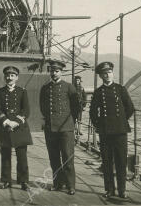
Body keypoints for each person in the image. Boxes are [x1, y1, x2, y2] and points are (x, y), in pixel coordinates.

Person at [90, 62, 134, 200]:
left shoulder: (120, 89)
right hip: (105, 132)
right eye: (104, 73)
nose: (107, 75)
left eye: (109, 72)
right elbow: (92, 112)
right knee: (107, 162)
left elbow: (130, 108)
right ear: (101, 76)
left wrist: (120, 121)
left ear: (112, 73)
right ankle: (109, 189)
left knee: (121, 162)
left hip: (120, 132)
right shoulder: (98, 92)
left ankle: (122, 190)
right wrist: (100, 124)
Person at [39, 57, 80, 195]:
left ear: (61, 72)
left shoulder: (69, 87)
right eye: (52, 71)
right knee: (54, 158)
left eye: (57, 71)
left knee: (68, 157)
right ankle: (58, 184)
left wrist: (70, 123)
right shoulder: (45, 88)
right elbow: (43, 106)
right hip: (51, 129)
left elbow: (76, 108)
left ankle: (70, 186)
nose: (54, 73)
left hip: (66, 128)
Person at [0, 66, 32, 191]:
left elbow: (26, 110)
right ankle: (6, 180)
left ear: (17, 78)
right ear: (5, 77)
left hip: (19, 127)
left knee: (22, 157)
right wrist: (6, 121)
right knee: (5, 156)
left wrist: (16, 122)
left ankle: (24, 181)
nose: (9, 78)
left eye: (12, 76)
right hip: (4, 127)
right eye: (7, 76)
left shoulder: (22, 91)